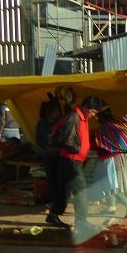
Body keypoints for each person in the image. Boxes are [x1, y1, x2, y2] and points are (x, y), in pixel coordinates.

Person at [48, 97, 102, 230]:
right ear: (86, 108)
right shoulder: (74, 117)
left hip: (73, 159)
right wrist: (78, 150)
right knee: (81, 190)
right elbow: (67, 139)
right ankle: (81, 221)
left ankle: (53, 215)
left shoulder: (82, 118)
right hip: (71, 159)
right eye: (93, 112)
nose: (94, 115)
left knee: (64, 190)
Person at [93, 106, 127, 217]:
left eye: (97, 116)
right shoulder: (117, 125)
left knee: (111, 186)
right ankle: (111, 208)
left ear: (102, 117)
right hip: (122, 158)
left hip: (111, 159)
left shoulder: (103, 129)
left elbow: (100, 146)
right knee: (112, 184)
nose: (96, 119)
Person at [35, 100, 62, 202]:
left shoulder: (61, 123)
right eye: (56, 111)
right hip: (48, 155)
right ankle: (52, 200)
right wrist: (46, 148)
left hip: (60, 155)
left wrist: (59, 148)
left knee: (60, 178)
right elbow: (38, 140)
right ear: (49, 112)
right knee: (51, 178)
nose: (58, 113)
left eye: (58, 111)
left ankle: (60, 199)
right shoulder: (41, 124)